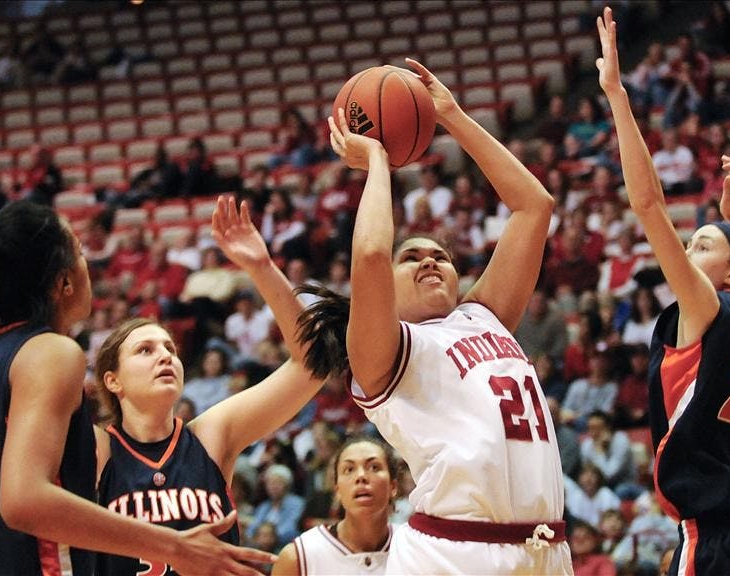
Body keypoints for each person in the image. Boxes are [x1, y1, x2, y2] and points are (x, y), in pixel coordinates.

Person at [298, 58, 572, 574]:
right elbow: (373, 254)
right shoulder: (383, 351)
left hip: (546, 548)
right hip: (453, 553)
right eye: (414, 257)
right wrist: (377, 161)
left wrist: (453, 118)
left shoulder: (482, 316)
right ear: (386, 292)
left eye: (441, 256)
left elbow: (534, 205)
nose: (430, 259)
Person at [597, 7, 730, 574]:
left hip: (715, 538)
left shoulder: (709, 307)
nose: (687, 251)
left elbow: (649, 203)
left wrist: (617, 96)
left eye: (701, 245)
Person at [0, 201, 268, 575]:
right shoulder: (49, 352)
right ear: (64, 283)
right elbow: (22, 500)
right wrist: (176, 547)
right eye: (81, 252)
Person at [92, 195, 327, 574]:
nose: (165, 356)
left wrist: (261, 267)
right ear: (112, 380)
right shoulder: (99, 449)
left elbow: (312, 364)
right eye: (145, 350)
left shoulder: (209, 437)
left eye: (169, 348)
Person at [272, 436, 398, 575]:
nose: (361, 476)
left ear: (393, 486)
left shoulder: (414, 546)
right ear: (337, 490)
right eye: (349, 469)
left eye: (374, 467)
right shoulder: (298, 556)